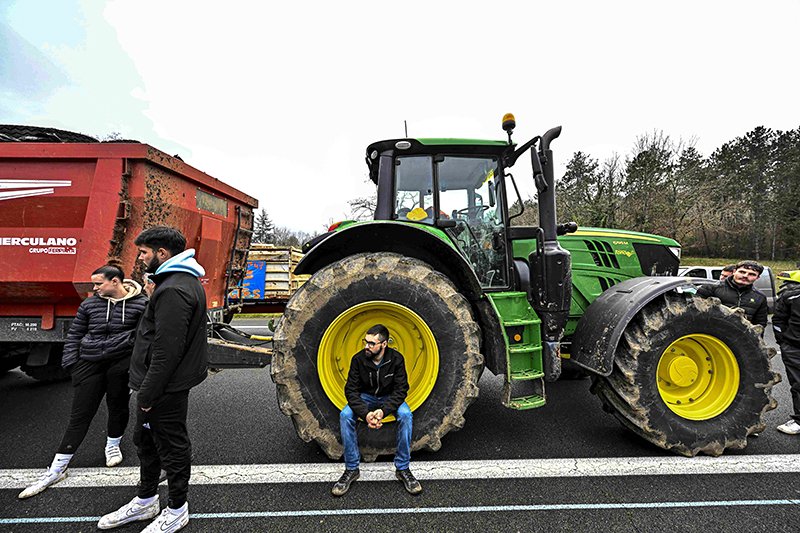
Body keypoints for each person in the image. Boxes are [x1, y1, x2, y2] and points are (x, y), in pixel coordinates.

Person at [98, 227, 207, 533]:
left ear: (162, 253)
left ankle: (176, 510)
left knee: (172, 447)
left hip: (163, 388)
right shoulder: (174, 284)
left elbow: (166, 351)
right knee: (146, 442)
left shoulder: (173, 289)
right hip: (158, 385)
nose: (140, 257)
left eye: (144, 252)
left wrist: (147, 394)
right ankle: (146, 501)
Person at [18, 265, 147, 499]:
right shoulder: (89, 304)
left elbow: (142, 339)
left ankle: (112, 446)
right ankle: (57, 468)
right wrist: (72, 366)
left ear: (116, 281)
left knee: (117, 407)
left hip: (121, 366)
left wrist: (135, 371)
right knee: (80, 415)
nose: (94, 288)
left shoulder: (141, 304)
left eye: (99, 283)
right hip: (89, 363)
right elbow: (75, 335)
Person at [332, 324, 422, 497]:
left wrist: (384, 411)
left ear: (384, 344)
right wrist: (365, 414)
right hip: (365, 398)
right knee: (345, 415)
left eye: (371, 343)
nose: (367, 346)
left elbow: (401, 390)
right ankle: (351, 469)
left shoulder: (396, 359)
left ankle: (403, 468)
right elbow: (351, 391)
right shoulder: (358, 359)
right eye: (366, 342)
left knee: (405, 415)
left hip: (388, 398)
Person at [696, 260, 768, 328]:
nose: (745, 276)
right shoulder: (710, 288)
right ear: (734, 271)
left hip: (738, 338)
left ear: (757, 277)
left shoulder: (760, 297)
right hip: (709, 335)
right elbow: (693, 313)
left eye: (752, 274)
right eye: (742, 272)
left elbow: (760, 325)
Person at [773, 270, 800, 435]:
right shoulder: (790, 296)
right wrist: (784, 342)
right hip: (794, 347)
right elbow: (778, 320)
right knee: (798, 384)